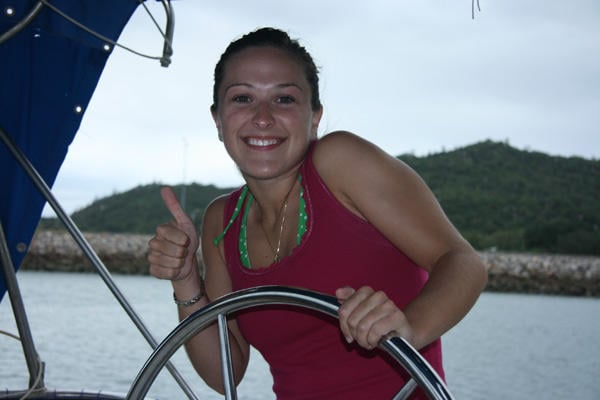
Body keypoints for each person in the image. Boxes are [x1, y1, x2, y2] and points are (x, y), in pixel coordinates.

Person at [148, 27, 487, 399]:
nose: (263, 117)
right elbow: (225, 370)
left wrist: (408, 330)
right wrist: (185, 280)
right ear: (218, 120)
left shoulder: (340, 161)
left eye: (284, 99)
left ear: (314, 117)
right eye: (242, 98)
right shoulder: (221, 221)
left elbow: (463, 262)